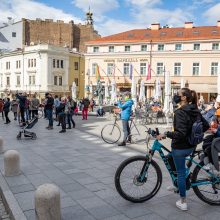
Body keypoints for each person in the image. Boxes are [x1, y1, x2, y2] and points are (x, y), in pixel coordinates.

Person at [157, 88, 209, 211]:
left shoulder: (180, 112)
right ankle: (177, 185)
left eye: (178, 94)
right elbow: (206, 125)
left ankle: (183, 201)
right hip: (191, 146)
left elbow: (180, 133)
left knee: (180, 173)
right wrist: (193, 134)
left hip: (181, 147)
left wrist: (165, 134)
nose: (175, 96)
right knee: (170, 158)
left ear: (184, 97)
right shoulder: (195, 109)